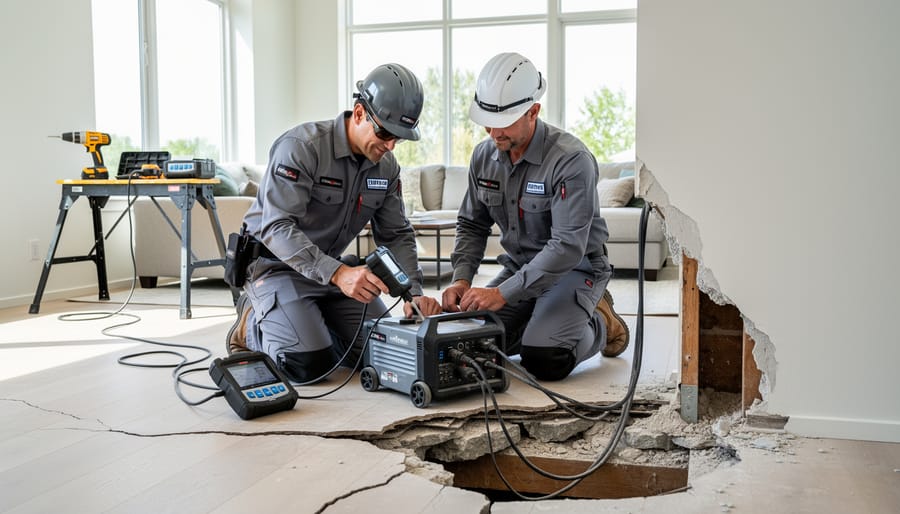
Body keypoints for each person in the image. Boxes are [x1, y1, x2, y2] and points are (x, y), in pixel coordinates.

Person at [226, 63, 442, 383]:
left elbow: (396, 233)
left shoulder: (386, 168)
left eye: (399, 138)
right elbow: (276, 226)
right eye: (385, 133)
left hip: (331, 272)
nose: (390, 146)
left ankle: (311, 323)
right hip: (276, 268)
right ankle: (250, 326)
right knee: (307, 365)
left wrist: (414, 293)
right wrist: (338, 274)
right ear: (359, 113)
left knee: (382, 352)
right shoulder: (302, 147)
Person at [442, 52, 630, 381]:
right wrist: (461, 278)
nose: (493, 132)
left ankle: (601, 320)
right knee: (473, 347)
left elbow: (567, 246)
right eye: (487, 122)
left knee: (545, 359)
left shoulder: (570, 160)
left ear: (533, 111)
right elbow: (472, 224)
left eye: (504, 122)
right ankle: (543, 320)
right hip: (519, 269)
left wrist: (502, 294)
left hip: (573, 269)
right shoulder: (483, 157)